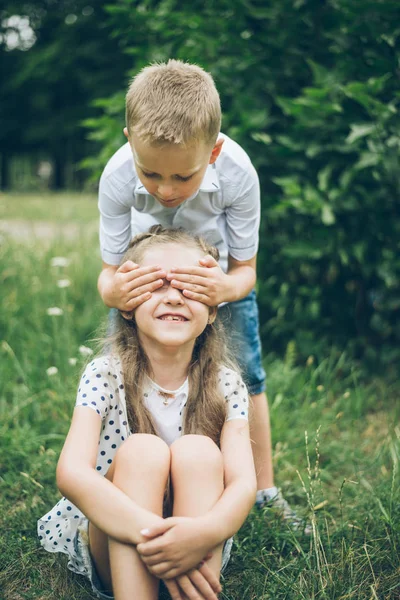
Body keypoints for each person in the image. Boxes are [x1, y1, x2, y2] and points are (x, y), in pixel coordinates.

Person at [97, 59, 299, 519]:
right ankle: (123, 479)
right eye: (151, 174)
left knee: (246, 378)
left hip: (220, 282)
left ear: (212, 152)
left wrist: (223, 287)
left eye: (182, 177)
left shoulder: (238, 173)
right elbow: (108, 275)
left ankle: (264, 491)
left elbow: (247, 270)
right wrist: (116, 293)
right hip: (145, 283)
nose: (166, 190)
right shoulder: (117, 176)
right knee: (125, 369)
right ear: (130, 146)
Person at [37, 226, 257, 600]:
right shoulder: (105, 374)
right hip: (121, 535)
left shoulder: (226, 383)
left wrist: (203, 532)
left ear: (214, 309)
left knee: (199, 452)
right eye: (156, 285)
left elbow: (243, 484)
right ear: (126, 304)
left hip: (196, 541)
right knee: (142, 451)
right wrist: (153, 533)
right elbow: (71, 473)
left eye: (190, 287)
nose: (173, 297)